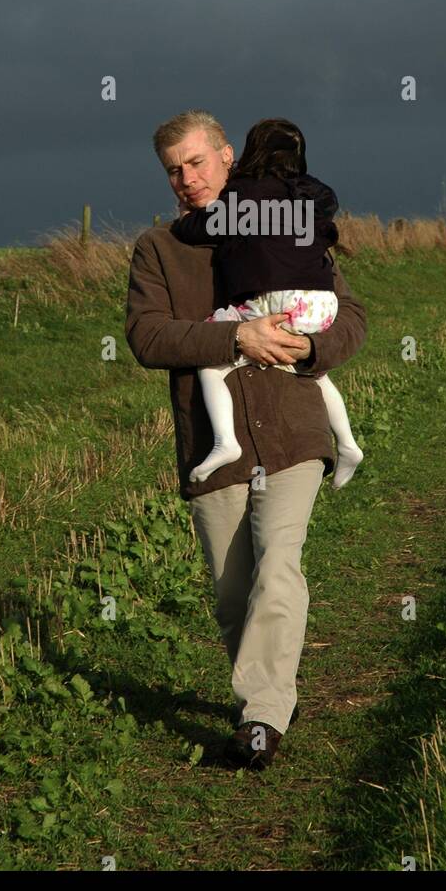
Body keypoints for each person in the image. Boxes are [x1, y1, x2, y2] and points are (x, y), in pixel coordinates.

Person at [124, 110, 367, 769]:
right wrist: (234, 336)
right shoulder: (159, 248)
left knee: (277, 565)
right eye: (173, 169)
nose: (186, 178)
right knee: (234, 594)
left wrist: (312, 346)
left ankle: (260, 719)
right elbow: (148, 336)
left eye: (197, 162)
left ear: (228, 157)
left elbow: (351, 318)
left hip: (293, 428)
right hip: (214, 444)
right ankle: (274, 695)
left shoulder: (285, 220)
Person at [171, 118, 364, 490]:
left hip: (280, 300)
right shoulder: (311, 197)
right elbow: (327, 226)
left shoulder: (243, 194)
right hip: (322, 304)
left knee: (214, 354)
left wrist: (182, 225)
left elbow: (206, 228)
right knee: (311, 369)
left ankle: (226, 441)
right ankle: (348, 442)